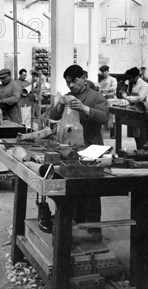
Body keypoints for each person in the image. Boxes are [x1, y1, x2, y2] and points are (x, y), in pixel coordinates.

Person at [46, 64, 108, 240]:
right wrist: (59, 105)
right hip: (71, 149)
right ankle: (75, 221)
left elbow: (104, 117)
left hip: (92, 147)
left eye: (74, 82)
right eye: (67, 83)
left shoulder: (96, 97)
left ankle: (94, 228)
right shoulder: (68, 96)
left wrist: (84, 108)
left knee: (92, 190)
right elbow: (53, 115)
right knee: (72, 187)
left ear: (84, 78)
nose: (71, 86)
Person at [123, 67, 148, 148]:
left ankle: (144, 151)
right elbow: (130, 95)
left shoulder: (144, 85)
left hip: (142, 111)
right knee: (135, 133)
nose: (130, 80)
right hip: (134, 111)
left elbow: (140, 98)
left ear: (135, 76)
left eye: (131, 78)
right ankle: (139, 149)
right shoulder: (131, 84)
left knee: (142, 134)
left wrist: (127, 98)